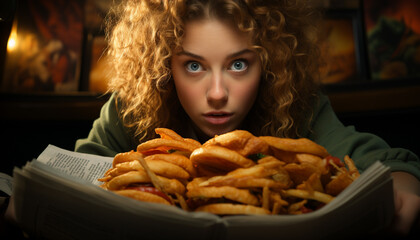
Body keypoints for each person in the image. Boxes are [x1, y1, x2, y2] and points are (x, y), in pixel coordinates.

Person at [3, 0, 419, 237]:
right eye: (195, 67)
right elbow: (72, 172)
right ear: (166, 64)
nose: (217, 93)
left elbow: (387, 162)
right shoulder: (129, 107)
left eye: (239, 66)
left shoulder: (299, 106)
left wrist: (404, 186)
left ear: (270, 62)